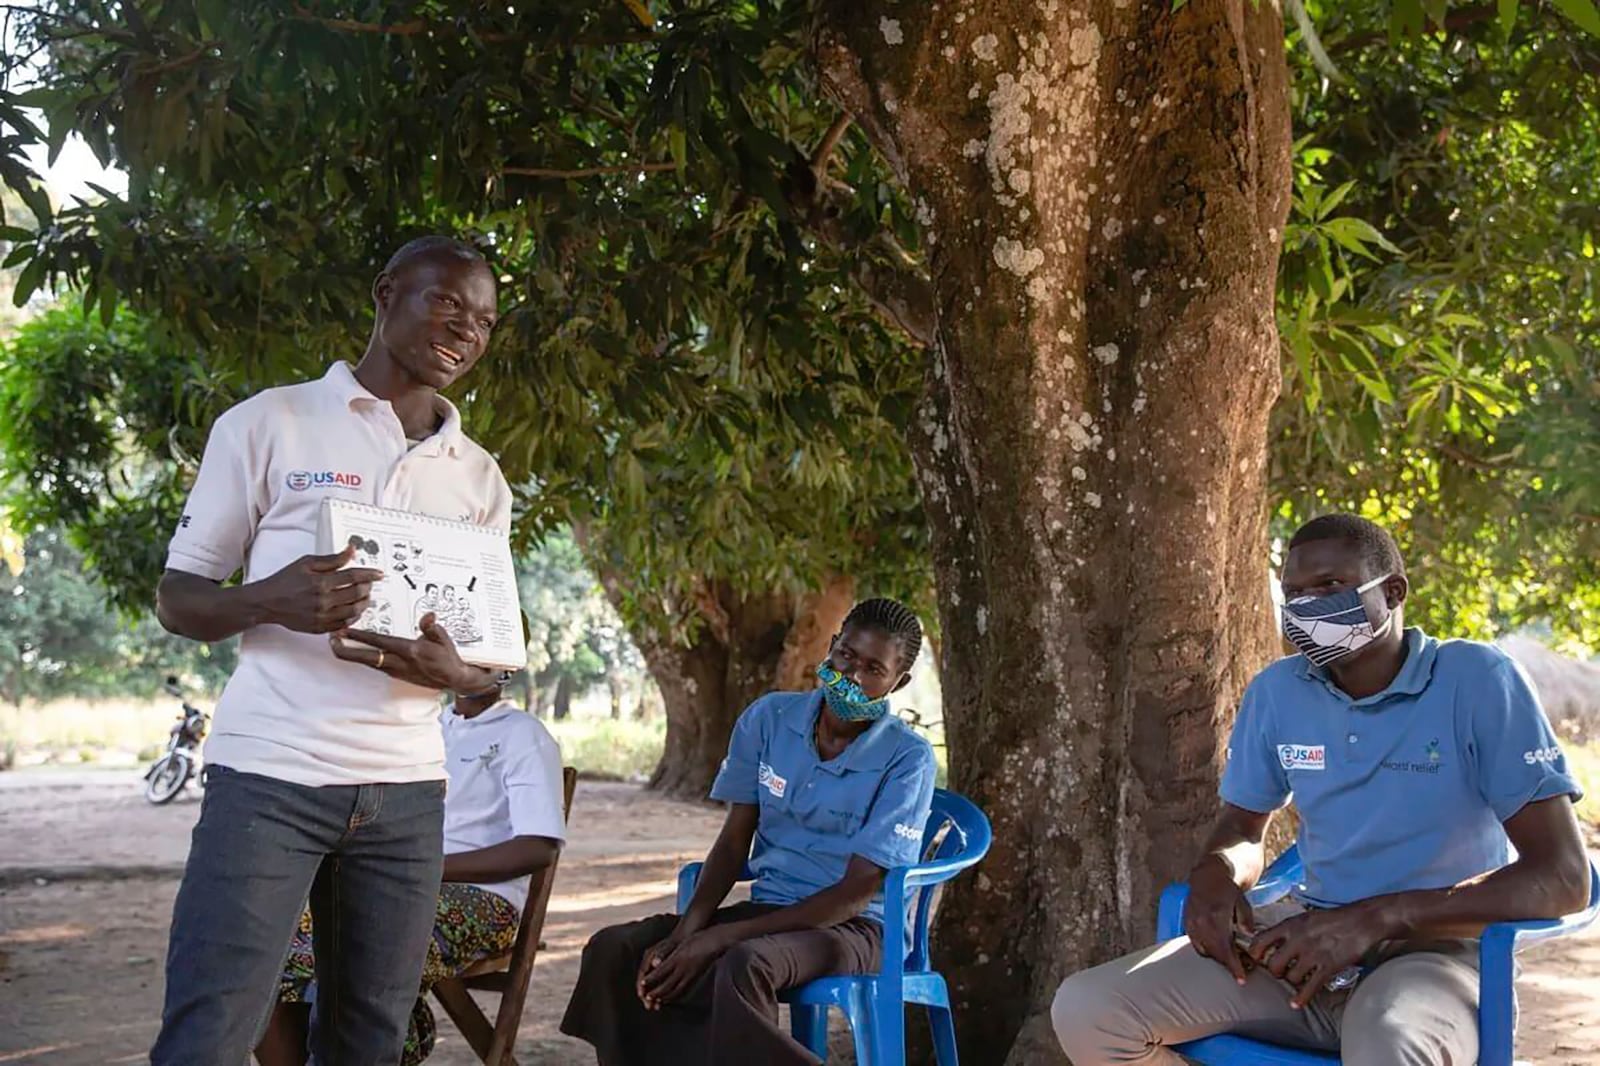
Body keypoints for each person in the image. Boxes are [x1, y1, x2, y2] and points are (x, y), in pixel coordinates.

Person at [151, 236, 517, 1065]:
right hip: (270, 773)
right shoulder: (267, 422)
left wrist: (454, 674)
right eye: (448, 302)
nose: (467, 330)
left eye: (486, 321)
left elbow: (486, 658)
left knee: (369, 1039)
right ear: (386, 293)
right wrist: (271, 598)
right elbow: (179, 597)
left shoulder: (479, 477)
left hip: (408, 792)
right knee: (210, 1030)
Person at [1050, 513, 1590, 1065]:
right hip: (1299, 944)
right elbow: (1242, 828)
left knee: (1388, 1043)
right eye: (1294, 593)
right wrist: (1215, 874)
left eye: (1330, 586)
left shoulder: (1478, 682)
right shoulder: (1278, 693)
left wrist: (1375, 919)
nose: (1308, 606)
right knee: (1090, 1008)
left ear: (1393, 592)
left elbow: (1563, 878)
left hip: (1433, 957)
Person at [561, 597, 937, 1066]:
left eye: (873, 669)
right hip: (771, 910)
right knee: (615, 950)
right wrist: (688, 929)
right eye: (847, 656)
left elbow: (858, 891)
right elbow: (736, 837)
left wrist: (720, 939)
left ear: (897, 682)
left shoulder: (908, 759)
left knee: (744, 964)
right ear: (833, 644)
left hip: (858, 930)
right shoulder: (770, 719)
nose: (853, 676)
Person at [255, 687, 567, 1065]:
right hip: (397, 883)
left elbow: (538, 847)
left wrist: (422, 870)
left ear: (509, 660)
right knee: (274, 935)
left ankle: (382, 1039)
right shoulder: (425, 727)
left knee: (366, 937)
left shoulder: (524, 735)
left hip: (483, 899)